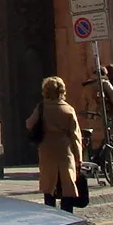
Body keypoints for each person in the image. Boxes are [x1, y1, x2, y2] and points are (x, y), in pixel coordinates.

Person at [26, 76, 88, 212]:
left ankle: (50, 211)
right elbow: (76, 136)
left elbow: (29, 123)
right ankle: (66, 212)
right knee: (67, 184)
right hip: (65, 149)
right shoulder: (68, 110)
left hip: (46, 148)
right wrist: (79, 159)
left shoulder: (41, 108)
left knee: (49, 183)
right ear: (62, 91)